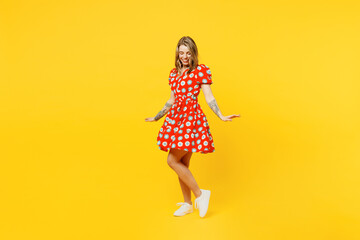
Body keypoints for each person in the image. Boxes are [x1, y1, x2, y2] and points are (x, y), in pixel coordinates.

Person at [145, 36, 240, 218]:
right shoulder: (174, 74)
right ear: (177, 54)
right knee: (182, 163)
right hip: (176, 119)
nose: (185, 56)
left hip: (190, 119)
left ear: (193, 53)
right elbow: (171, 100)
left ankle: (200, 194)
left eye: (188, 53)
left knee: (172, 161)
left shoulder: (200, 71)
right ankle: (188, 204)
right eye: (181, 53)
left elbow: (209, 96)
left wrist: (220, 115)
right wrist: (157, 117)